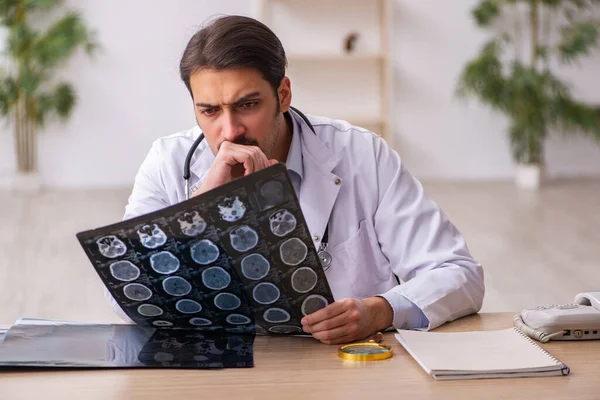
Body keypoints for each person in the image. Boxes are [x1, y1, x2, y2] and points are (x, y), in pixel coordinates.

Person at [110, 15, 485, 345]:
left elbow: (459, 274)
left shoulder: (362, 155)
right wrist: (203, 207)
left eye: (247, 105)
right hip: (217, 369)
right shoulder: (167, 163)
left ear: (283, 94)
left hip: (345, 367)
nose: (230, 130)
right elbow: (126, 294)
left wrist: (382, 310)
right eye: (209, 111)